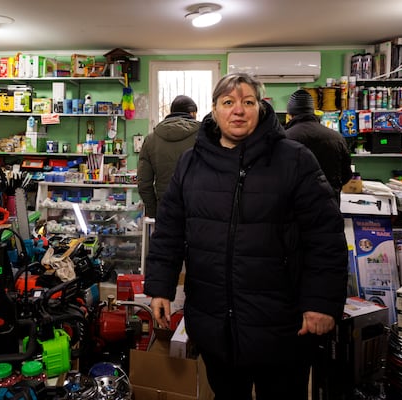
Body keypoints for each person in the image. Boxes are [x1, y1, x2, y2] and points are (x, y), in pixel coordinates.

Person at [143, 73, 348, 400]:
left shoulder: (295, 159)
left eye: (247, 102)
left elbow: (325, 237)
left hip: (282, 327)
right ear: (214, 109)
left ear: (260, 108)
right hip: (215, 325)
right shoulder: (191, 163)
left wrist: (321, 303)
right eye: (228, 102)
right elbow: (169, 229)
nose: (238, 110)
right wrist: (159, 288)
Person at [137, 95, 200, 218]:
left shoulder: (151, 140)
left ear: (172, 113)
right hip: (199, 210)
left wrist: (154, 211)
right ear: (192, 113)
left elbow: (144, 184)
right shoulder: (204, 137)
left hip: (165, 209)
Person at [285, 89, 353, 203]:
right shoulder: (337, 137)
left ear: (290, 115)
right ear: (313, 112)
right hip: (329, 207)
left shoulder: (284, 138)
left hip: (295, 209)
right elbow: (346, 175)